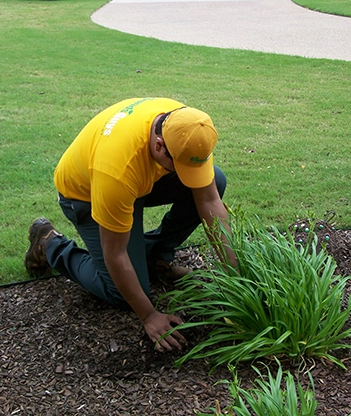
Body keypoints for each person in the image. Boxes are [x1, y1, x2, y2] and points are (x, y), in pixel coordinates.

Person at [25, 97, 236, 352]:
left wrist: (237, 278)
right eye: (178, 166)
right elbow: (114, 253)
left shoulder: (187, 128)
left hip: (138, 180)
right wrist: (149, 316)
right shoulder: (117, 170)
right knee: (120, 293)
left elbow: (210, 200)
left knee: (217, 181)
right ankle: (50, 243)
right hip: (85, 194)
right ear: (159, 146)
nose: (184, 174)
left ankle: (153, 258)